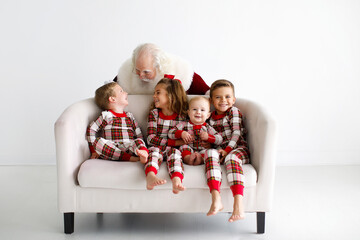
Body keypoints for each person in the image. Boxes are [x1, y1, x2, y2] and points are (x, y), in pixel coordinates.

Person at [206, 79, 250, 222]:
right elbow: (211, 138)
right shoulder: (210, 118)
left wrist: (227, 150)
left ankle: (238, 204)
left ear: (233, 99)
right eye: (218, 97)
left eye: (227, 96)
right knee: (210, 154)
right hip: (220, 151)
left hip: (238, 149)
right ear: (212, 101)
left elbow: (236, 134)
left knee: (231, 158)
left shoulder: (234, 111)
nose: (223, 100)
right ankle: (216, 199)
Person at [144, 77, 188, 194]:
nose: (154, 96)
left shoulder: (182, 116)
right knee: (153, 153)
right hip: (157, 147)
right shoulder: (154, 114)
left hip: (173, 150)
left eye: (158, 92)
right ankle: (150, 176)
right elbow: (150, 138)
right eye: (154, 93)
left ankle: (176, 180)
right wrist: (174, 142)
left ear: (171, 96)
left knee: (175, 155)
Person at [86, 82, 149, 163]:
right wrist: (93, 150)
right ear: (112, 99)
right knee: (98, 142)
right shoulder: (106, 116)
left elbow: (138, 134)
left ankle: (144, 154)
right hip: (113, 149)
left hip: (129, 146)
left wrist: (141, 147)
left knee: (138, 141)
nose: (126, 93)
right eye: (121, 91)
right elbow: (91, 129)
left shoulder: (129, 116)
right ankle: (129, 158)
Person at [113, 43, 210, 95]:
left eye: (146, 72)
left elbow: (209, 93)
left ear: (159, 67)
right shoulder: (125, 74)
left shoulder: (182, 72)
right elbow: (106, 93)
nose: (141, 76)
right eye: (137, 70)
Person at [168, 96, 222, 166]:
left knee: (209, 152)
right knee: (183, 147)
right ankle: (188, 158)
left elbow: (219, 139)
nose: (198, 112)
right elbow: (170, 133)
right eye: (194, 109)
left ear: (208, 115)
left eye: (202, 110)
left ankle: (201, 159)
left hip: (203, 148)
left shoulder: (207, 127)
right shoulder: (183, 124)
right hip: (188, 147)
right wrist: (181, 133)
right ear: (189, 113)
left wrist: (209, 137)